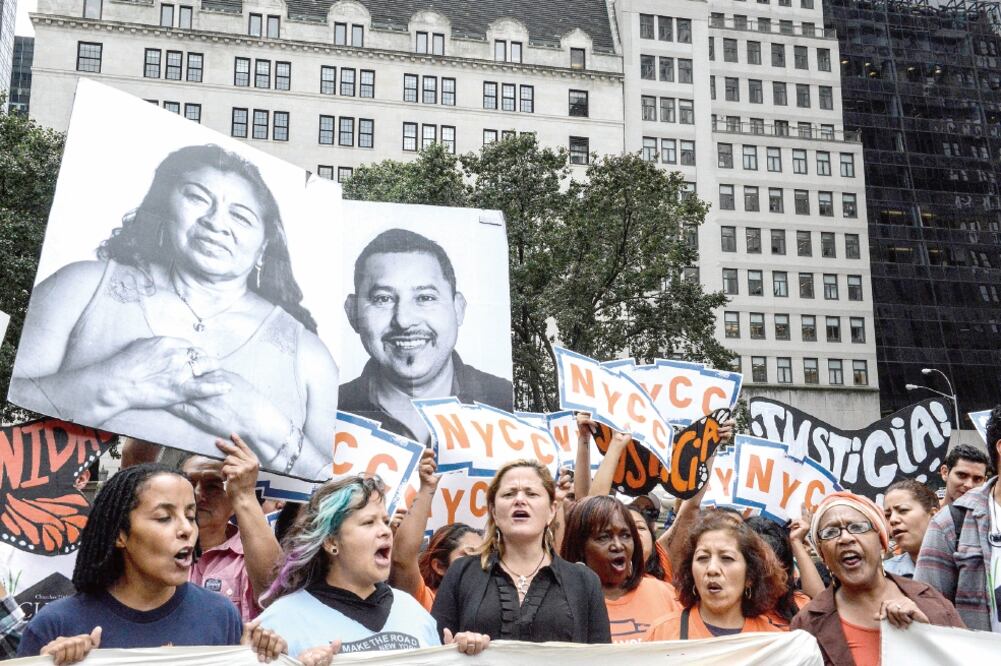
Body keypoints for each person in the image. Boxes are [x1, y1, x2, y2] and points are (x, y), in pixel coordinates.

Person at [10, 143, 339, 479]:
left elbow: (335, 485)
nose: (216, 223)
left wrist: (263, 426)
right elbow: (9, 416)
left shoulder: (310, 355)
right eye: (197, 197)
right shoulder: (78, 287)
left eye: (241, 216)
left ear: (265, 246)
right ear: (164, 207)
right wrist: (112, 385)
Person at [16, 464, 286, 664]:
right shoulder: (55, 624)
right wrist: (48, 663)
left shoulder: (220, 615)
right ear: (120, 534)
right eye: (164, 517)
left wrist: (258, 656)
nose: (186, 529)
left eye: (190, 515)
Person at [258, 475, 488, 661]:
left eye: (385, 521)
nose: (385, 531)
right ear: (331, 542)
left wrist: (460, 657)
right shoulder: (280, 621)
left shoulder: (413, 611)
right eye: (368, 522)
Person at [339, 228, 513, 443]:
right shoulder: (328, 410)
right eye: (383, 299)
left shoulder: (506, 402)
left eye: (425, 298)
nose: (404, 321)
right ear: (353, 312)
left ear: (458, 308)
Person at [432, 460, 611, 643]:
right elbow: (433, 648)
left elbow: (602, 656)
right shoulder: (461, 573)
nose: (519, 500)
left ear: (551, 511)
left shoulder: (584, 581)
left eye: (531, 493)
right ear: (494, 512)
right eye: (509, 494)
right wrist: (457, 647)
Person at [792, 492, 965, 665]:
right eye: (830, 532)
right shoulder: (807, 625)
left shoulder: (930, 601)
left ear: (881, 542)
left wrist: (927, 637)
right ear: (822, 554)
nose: (845, 538)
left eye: (857, 527)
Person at [915, 405, 1001, 632]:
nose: (967, 483)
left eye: (976, 477)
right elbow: (929, 611)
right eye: (961, 475)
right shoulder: (951, 522)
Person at [182, 434, 282, 620]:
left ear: (233, 500)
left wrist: (245, 493)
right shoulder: (155, 548)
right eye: (189, 483)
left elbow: (275, 598)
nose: (198, 494)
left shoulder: (252, 556)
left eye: (213, 486)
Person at [644, 512, 787, 640]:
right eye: (702, 558)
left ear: (750, 576)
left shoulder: (773, 642)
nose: (712, 569)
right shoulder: (662, 634)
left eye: (726, 558)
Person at [561, 496, 680, 642]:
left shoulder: (665, 594)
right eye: (603, 537)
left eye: (625, 535)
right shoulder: (560, 605)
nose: (618, 546)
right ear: (580, 547)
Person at [390, 449, 482, 611]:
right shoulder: (427, 604)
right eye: (468, 554)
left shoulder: (496, 607)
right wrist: (427, 486)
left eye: (484, 555)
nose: (479, 562)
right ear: (439, 566)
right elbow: (402, 560)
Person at [746, 516, 823, 627]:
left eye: (775, 570)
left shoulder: (800, 607)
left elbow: (821, 603)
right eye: (757, 568)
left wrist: (796, 541)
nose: (765, 578)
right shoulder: (729, 613)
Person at [882, 479, 939, 578]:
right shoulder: (883, 575)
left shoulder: (963, 564)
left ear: (933, 515)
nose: (892, 520)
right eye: (888, 515)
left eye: (903, 510)